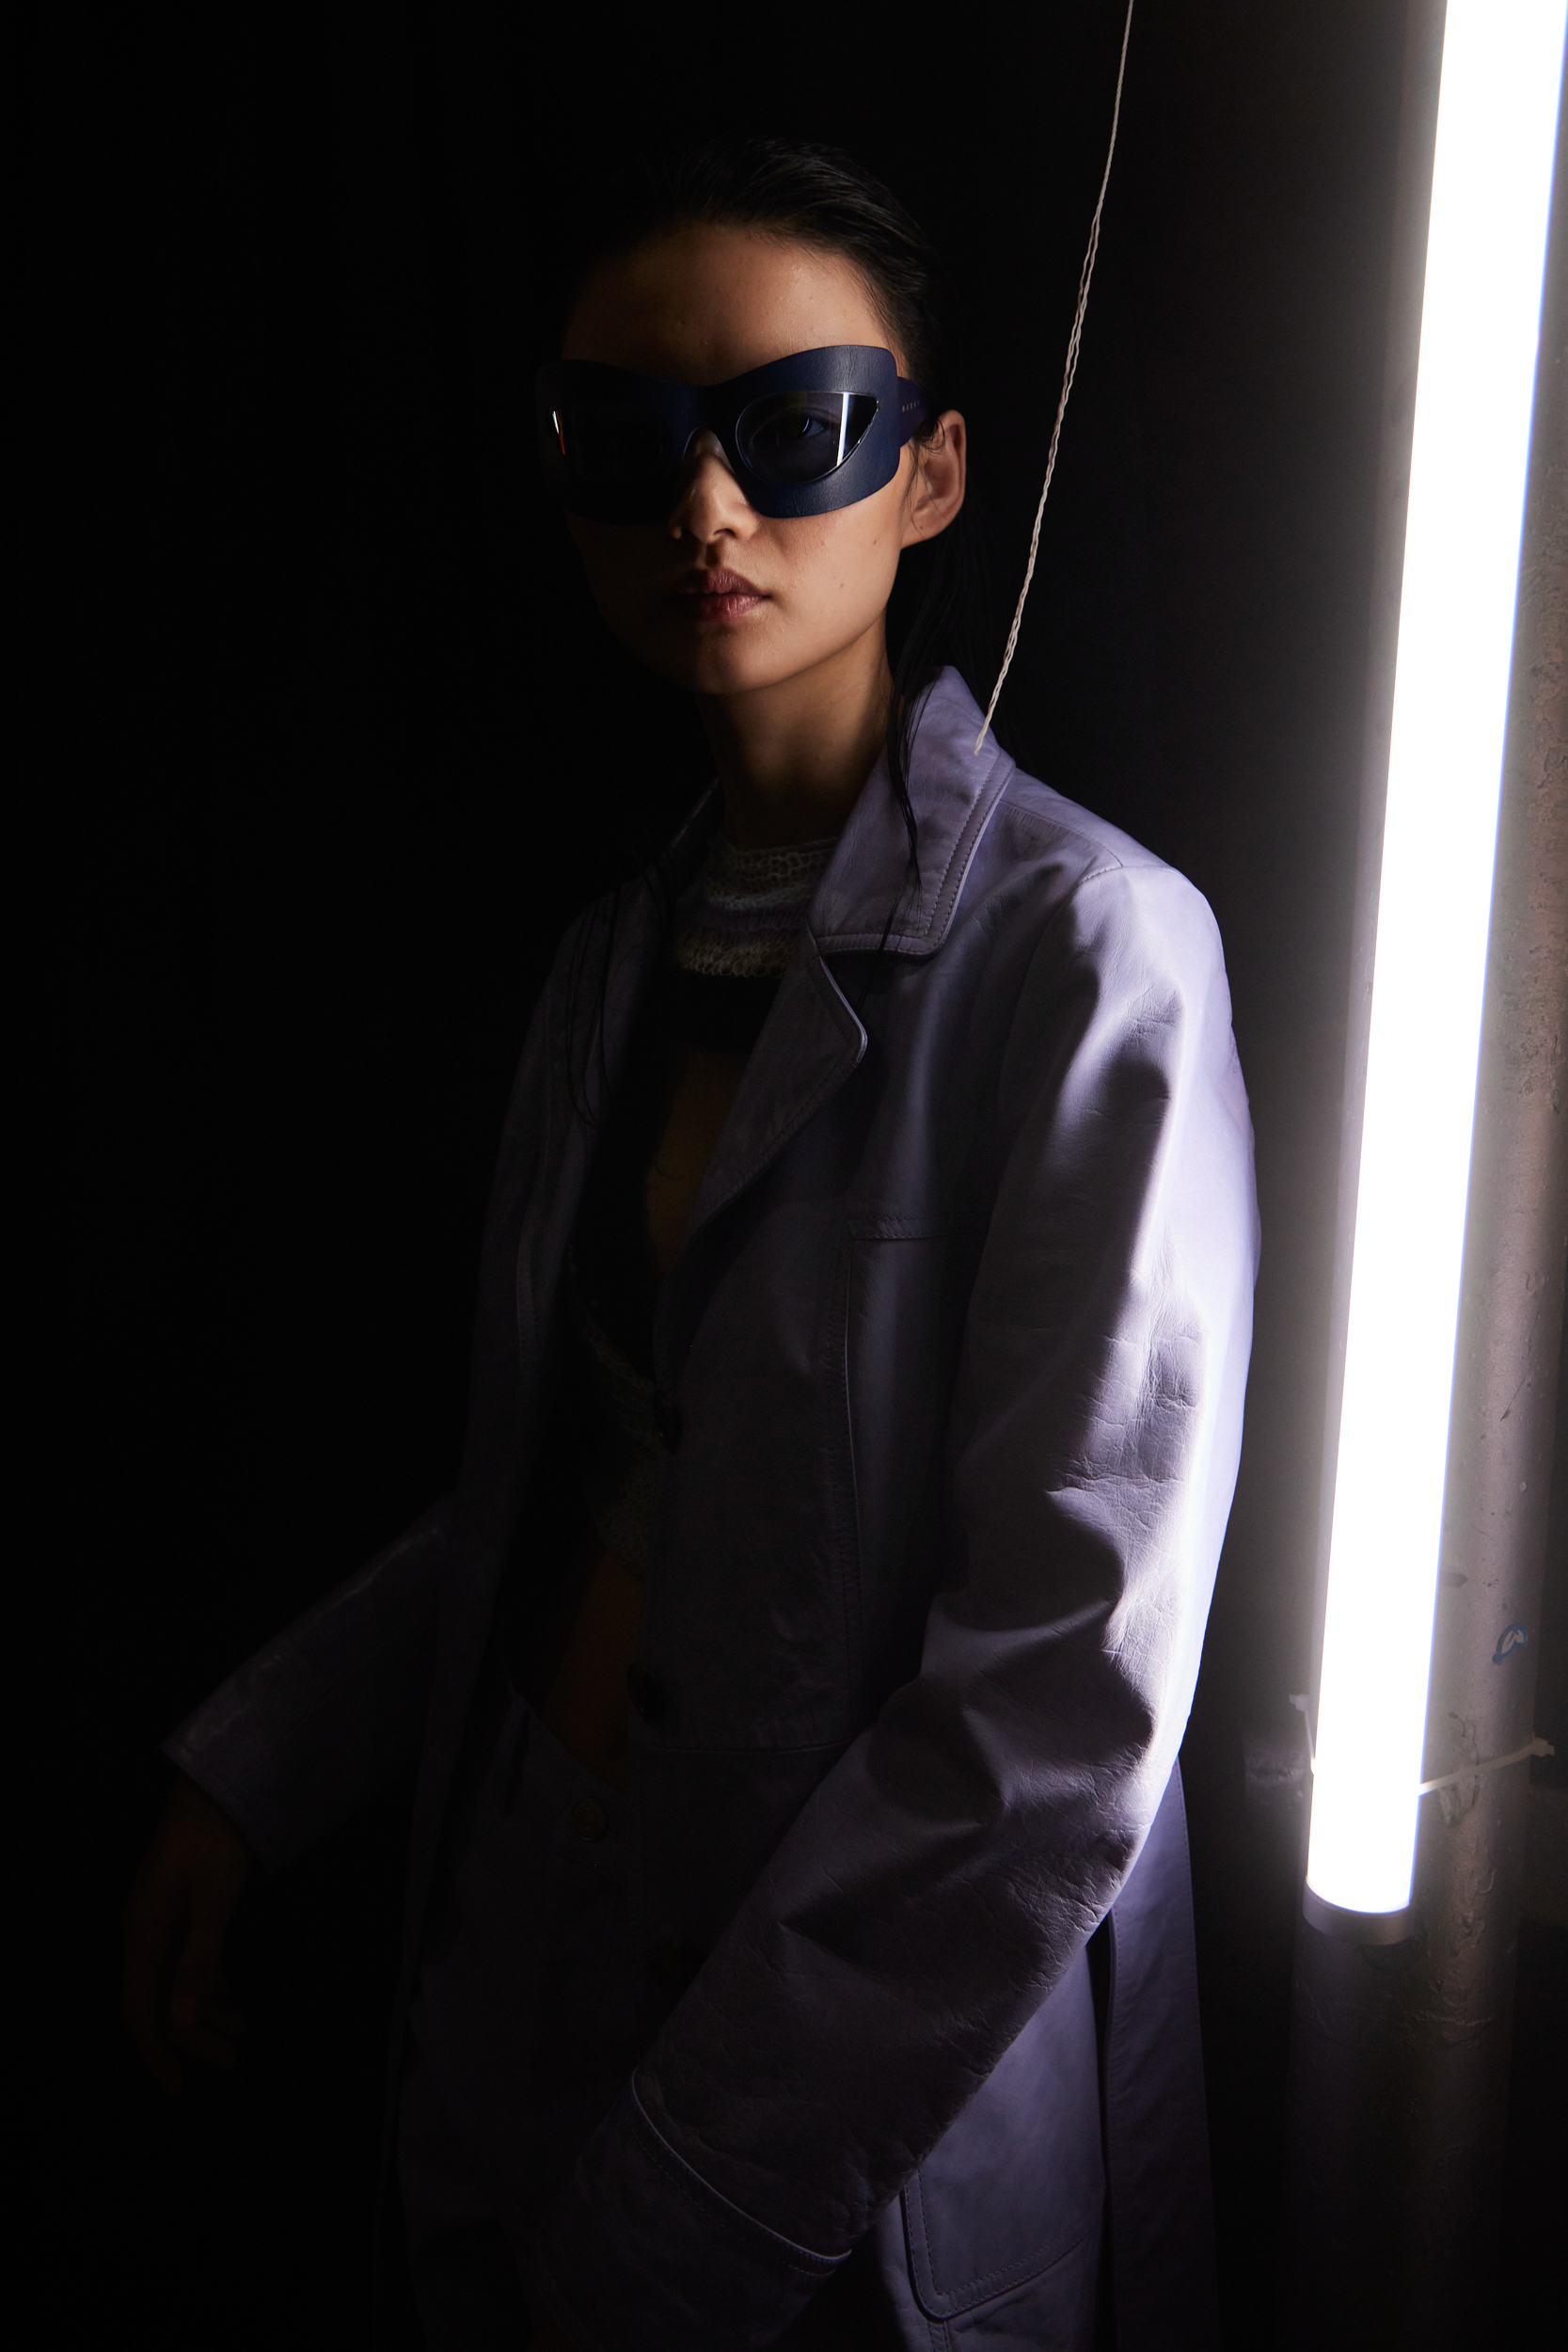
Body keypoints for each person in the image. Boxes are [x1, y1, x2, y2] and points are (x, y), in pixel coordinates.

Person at [123, 138, 1259, 2352]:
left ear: (928, 472)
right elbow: (557, 1480)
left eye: (793, 422)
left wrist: (686, 2195)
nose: (708, 505)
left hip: (848, 2122)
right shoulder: (604, 966)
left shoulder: (1090, 951)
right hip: (516, 1957)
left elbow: (1057, 1698)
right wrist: (251, 1769)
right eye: (628, 440)